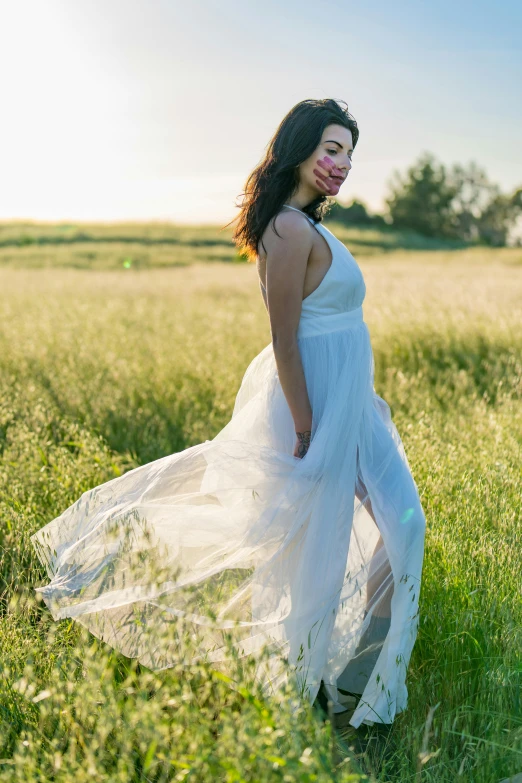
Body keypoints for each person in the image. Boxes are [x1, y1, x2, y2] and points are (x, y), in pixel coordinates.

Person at [31, 98, 426, 729]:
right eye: (331, 148)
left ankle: (345, 686)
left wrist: (364, 399)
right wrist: (308, 427)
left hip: (349, 408)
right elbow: (286, 340)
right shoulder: (288, 230)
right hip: (317, 412)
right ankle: (332, 696)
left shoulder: (304, 226)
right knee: (322, 551)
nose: (342, 164)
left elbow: (338, 330)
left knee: (395, 534)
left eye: (349, 153)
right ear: (298, 147)